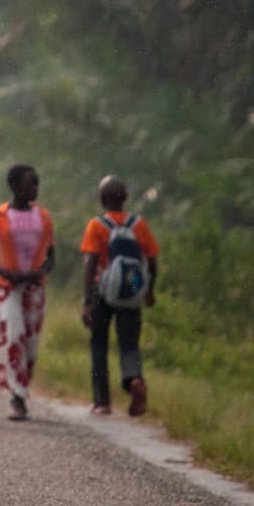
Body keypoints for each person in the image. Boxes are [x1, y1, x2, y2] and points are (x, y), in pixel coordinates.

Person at [79, 175, 159, 417]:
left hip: (103, 292)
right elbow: (153, 261)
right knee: (129, 344)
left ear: (101, 199)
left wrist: (87, 300)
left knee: (99, 345)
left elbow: (90, 263)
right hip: (132, 293)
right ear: (125, 198)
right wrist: (149, 291)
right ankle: (133, 379)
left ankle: (102, 402)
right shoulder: (139, 225)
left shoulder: (97, 226)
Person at [0, 164, 55, 420]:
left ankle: (21, 390)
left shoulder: (43, 218)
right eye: (31, 183)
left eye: (37, 183)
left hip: (34, 288)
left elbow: (50, 257)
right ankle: (17, 395)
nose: (35, 189)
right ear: (15, 186)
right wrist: (3, 271)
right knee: (14, 338)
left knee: (31, 345)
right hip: (8, 287)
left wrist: (39, 273)